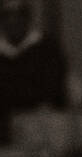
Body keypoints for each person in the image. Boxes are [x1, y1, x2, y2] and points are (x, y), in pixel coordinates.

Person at [0, 0, 67, 146]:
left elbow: (55, 90)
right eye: (7, 15)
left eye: (19, 14)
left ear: (28, 18)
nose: (13, 20)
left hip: (41, 126)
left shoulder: (48, 48)